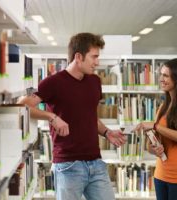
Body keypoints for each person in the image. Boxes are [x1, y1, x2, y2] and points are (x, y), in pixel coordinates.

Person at [19, 32, 126, 200]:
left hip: (96, 163)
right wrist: (51, 117)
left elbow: (90, 117)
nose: (97, 62)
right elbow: (22, 105)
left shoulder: (95, 81)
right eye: (94, 57)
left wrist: (107, 132)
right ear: (78, 56)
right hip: (68, 166)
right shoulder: (53, 82)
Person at [135, 58, 177, 200]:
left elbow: (157, 128)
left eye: (166, 75)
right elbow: (153, 143)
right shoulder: (162, 107)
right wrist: (153, 148)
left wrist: (154, 126)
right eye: (161, 75)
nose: (161, 79)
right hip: (161, 176)